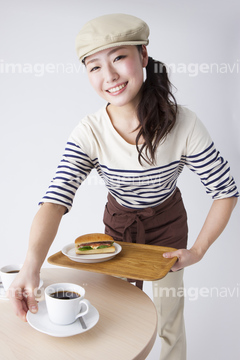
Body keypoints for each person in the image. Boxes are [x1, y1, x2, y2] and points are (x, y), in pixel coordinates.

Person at [8, 13, 238, 360]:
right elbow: (54, 200)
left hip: (167, 233)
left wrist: (198, 251)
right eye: (94, 67)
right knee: (117, 320)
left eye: (119, 58)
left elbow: (225, 191)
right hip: (116, 234)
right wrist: (30, 267)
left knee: (169, 324)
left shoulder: (184, 123)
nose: (110, 76)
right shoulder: (89, 131)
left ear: (143, 56)